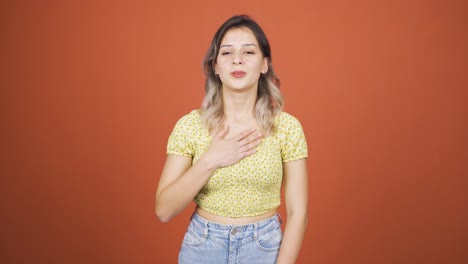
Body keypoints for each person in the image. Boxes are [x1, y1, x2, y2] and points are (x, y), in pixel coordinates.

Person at [156, 14, 308, 264]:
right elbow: (164, 210)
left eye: (248, 52)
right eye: (226, 53)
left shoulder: (286, 128)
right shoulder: (191, 126)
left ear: (264, 65)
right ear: (216, 66)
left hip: (265, 249)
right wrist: (211, 160)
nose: (237, 60)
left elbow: (298, 212)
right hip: (203, 248)